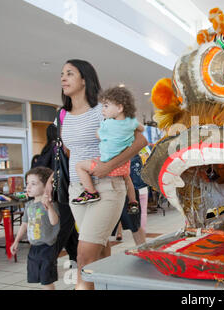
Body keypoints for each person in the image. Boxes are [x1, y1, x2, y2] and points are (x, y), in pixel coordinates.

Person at [43, 59, 147, 290]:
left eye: (70, 73)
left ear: (84, 79)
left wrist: (109, 166)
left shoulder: (103, 110)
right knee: (98, 251)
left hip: (107, 186)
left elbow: (141, 139)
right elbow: (68, 154)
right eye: (62, 74)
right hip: (77, 191)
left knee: (84, 257)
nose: (63, 78)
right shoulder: (62, 116)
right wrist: (51, 180)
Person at [71, 86, 144, 216]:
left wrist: (99, 131)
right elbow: (141, 129)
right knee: (128, 180)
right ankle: (133, 201)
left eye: (105, 106)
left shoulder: (108, 124)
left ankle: (91, 192)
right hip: (123, 164)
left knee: (80, 166)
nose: (102, 110)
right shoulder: (131, 122)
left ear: (120, 108)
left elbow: (98, 135)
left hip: (105, 163)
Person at [32, 124, 79, 265]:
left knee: (69, 229)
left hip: (51, 195)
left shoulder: (45, 150)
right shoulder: (57, 149)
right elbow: (61, 170)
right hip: (62, 193)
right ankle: (48, 261)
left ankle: (75, 259)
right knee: (63, 228)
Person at [11, 167, 60, 290]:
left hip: (47, 248)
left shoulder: (51, 204)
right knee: (39, 278)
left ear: (46, 186)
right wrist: (16, 241)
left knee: (46, 280)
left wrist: (48, 206)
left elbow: (54, 222)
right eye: (27, 184)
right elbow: (24, 224)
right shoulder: (29, 205)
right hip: (33, 248)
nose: (28, 187)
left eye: (33, 184)